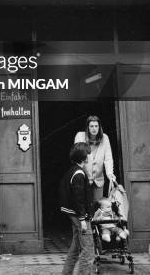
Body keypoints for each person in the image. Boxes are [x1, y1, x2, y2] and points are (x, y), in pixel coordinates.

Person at [60, 142, 94, 275]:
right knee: (88, 251)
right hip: (80, 218)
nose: (89, 156)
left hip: (75, 216)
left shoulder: (73, 170)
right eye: (88, 154)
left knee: (75, 249)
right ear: (84, 157)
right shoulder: (79, 173)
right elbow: (78, 199)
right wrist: (83, 219)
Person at [74, 115, 115, 204]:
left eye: (96, 126)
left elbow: (108, 158)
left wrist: (110, 173)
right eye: (91, 126)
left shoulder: (105, 138)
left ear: (99, 127)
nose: (94, 129)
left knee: (97, 206)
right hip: (84, 179)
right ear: (87, 128)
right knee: (84, 205)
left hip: (98, 180)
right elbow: (77, 156)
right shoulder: (80, 136)